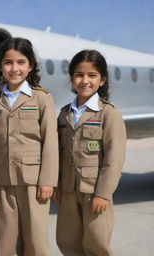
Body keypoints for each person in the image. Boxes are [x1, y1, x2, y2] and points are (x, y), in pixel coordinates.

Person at [0, 37, 59, 256]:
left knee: (36, 242)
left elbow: (50, 142)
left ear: (30, 67)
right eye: (8, 62)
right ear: (0, 67)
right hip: (3, 182)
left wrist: (48, 180)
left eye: (21, 62)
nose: (14, 68)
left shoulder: (41, 98)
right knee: (6, 241)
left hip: (34, 182)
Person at [55, 50, 126, 256]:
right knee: (67, 242)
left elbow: (114, 159)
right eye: (79, 75)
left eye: (92, 76)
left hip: (94, 192)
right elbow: (59, 153)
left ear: (102, 80)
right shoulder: (64, 114)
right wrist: (58, 185)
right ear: (71, 79)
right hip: (68, 191)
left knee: (96, 244)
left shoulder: (108, 114)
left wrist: (103, 194)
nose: (85, 81)